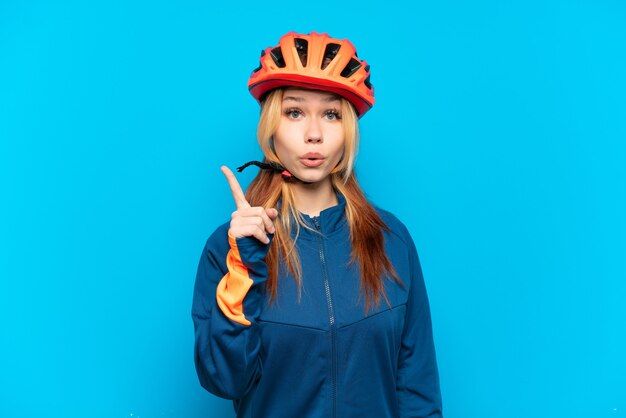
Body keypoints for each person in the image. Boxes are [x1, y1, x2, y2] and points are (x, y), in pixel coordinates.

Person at [191, 31, 443, 418]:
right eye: (294, 112)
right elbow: (224, 380)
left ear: (348, 130)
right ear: (271, 126)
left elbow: (416, 385)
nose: (314, 134)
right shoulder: (229, 247)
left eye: (331, 114)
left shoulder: (392, 239)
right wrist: (244, 268)